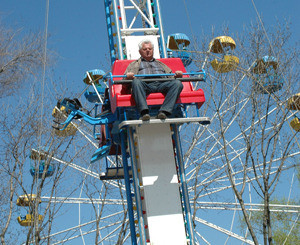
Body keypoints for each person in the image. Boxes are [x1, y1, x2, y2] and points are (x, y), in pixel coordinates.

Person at [125, 39, 184, 121]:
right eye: (145, 49)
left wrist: (178, 76)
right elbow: (124, 81)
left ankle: (164, 112)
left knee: (177, 83)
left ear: (153, 50)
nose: (148, 51)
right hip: (144, 85)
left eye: (150, 49)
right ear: (140, 52)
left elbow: (171, 77)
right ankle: (144, 113)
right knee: (136, 82)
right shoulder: (133, 64)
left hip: (161, 84)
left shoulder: (160, 64)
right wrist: (128, 77)